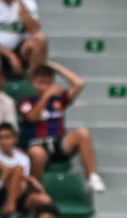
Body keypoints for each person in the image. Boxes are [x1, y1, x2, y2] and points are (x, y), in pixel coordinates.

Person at [19, 63, 105, 192]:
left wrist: (56, 68)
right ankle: (34, 189)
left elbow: (79, 84)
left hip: (58, 144)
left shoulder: (58, 100)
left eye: (48, 83)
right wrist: (46, 96)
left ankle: (92, 177)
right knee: (37, 153)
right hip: (37, 144)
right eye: (40, 82)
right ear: (34, 83)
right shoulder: (27, 102)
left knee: (82, 133)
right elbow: (33, 117)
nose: (44, 86)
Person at [0, 123, 51, 218]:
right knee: (18, 171)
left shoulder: (23, 157)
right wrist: (31, 179)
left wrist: (27, 179)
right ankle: (11, 211)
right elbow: (5, 169)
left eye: (7, 137)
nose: (3, 141)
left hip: (16, 193)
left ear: (14, 139)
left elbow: (21, 181)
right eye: (0, 138)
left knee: (45, 200)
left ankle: (6, 209)